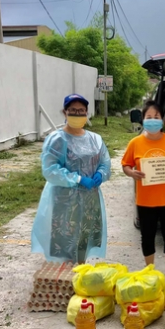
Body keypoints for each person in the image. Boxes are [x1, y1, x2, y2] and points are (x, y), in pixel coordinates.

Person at [31, 93, 111, 264]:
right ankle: (64, 276)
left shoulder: (95, 139)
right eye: (73, 110)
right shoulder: (57, 139)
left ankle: (80, 270)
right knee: (65, 238)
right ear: (65, 112)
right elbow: (50, 169)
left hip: (90, 198)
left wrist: (100, 174)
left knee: (84, 236)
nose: (77, 114)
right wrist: (77, 179)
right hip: (65, 201)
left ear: (87, 113)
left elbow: (105, 162)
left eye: (81, 111)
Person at [121, 101, 165, 280]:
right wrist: (132, 173)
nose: (152, 121)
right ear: (143, 120)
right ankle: (149, 270)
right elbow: (125, 165)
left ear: (163, 120)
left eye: (156, 117)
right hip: (145, 200)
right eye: (148, 117)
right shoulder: (135, 143)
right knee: (148, 237)